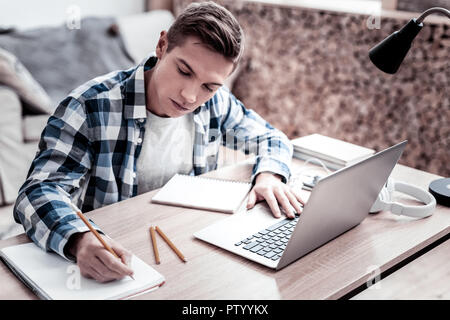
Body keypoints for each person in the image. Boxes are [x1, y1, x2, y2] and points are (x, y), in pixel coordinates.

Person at [13, 1, 304, 283]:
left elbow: (270, 137)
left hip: (184, 249)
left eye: (208, 86)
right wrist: (79, 240)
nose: (190, 96)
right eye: (184, 71)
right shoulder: (89, 106)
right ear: (162, 45)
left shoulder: (217, 103)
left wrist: (270, 175)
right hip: (111, 258)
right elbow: (37, 192)